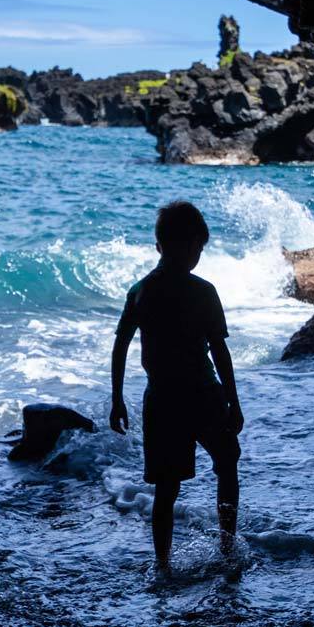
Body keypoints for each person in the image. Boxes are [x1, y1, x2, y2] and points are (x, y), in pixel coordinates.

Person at [109, 201, 244, 573]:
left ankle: (163, 564)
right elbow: (219, 351)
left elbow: (120, 346)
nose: (199, 255)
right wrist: (234, 401)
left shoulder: (140, 291)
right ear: (188, 246)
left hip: (161, 399)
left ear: (159, 246)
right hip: (202, 391)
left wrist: (118, 398)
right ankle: (228, 547)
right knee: (227, 463)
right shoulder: (204, 291)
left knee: (167, 488)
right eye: (198, 248)